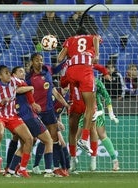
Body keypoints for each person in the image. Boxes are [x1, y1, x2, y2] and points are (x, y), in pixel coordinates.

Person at [57, 4, 101, 154]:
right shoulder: (90, 38)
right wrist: (96, 55)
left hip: (71, 72)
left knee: (73, 123)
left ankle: (73, 157)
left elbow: (59, 58)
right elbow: (96, 38)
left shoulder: (70, 40)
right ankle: (84, 138)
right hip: (85, 72)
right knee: (91, 107)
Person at [0, 65, 35, 177]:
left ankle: (22, 169)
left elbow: (26, 86)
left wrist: (32, 101)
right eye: (6, 72)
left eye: (9, 72)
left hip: (12, 116)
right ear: (0, 76)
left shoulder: (14, 80)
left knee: (29, 139)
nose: (9, 74)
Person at [3, 66, 55, 178]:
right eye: (20, 71)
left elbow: (23, 92)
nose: (23, 73)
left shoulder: (17, 84)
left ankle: (11, 170)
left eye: (23, 71)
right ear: (13, 74)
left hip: (19, 117)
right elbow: (17, 90)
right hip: (28, 116)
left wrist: (33, 103)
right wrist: (30, 88)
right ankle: (48, 171)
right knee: (48, 140)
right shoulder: (15, 84)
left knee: (25, 144)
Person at [26, 53, 70, 177]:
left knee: (54, 139)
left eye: (41, 60)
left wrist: (67, 58)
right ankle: (20, 167)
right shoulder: (28, 78)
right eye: (36, 60)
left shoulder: (48, 70)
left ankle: (54, 168)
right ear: (32, 62)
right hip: (36, 113)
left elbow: (54, 90)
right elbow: (25, 95)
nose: (39, 62)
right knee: (33, 139)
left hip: (49, 112)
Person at [77, 78, 120, 171]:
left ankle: (114, 160)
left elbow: (107, 96)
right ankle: (71, 160)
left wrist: (111, 113)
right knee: (76, 136)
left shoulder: (96, 82)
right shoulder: (78, 81)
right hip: (82, 111)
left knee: (102, 134)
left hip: (97, 111)